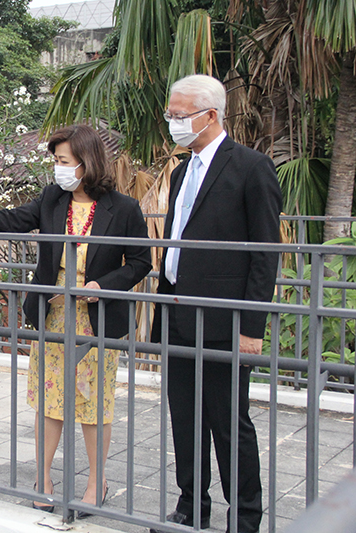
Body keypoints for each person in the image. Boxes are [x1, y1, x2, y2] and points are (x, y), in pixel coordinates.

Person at [0, 124, 151, 512]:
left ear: (86, 162)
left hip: (97, 320)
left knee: (93, 404)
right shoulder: (52, 198)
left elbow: (140, 262)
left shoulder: (123, 208)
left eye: (63, 161)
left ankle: (96, 480)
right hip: (52, 314)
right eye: (55, 161)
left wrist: (101, 285)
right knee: (49, 399)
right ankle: (44, 476)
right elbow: (15, 220)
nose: (57, 168)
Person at [149, 75, 281, 533]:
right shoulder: (183, 169)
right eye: (171, 114)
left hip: (225, 321)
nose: (173, 123)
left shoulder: (250, 167)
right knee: (184, 419)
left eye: (180, 115)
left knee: (228, 424)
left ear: (210, 115)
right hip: (178, 311)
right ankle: (191, 508)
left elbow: (265, 252)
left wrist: (251, 326)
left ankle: (244, 518)